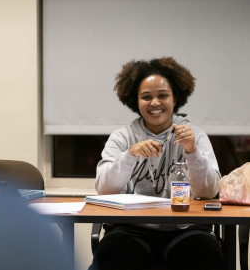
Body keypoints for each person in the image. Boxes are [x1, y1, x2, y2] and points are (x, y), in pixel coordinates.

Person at [89, 57, 224, 270]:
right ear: (135, 100)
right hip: (130, 230)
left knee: (206, 257)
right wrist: (130, 155)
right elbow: (105, 190)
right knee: (111, 257)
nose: (155, 103)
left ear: (175, 98)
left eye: (163, 95)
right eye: (146, 97)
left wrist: (192, 151)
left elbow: (208, 192)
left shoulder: (194, 136)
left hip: (187, 229)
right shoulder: (122, 137)